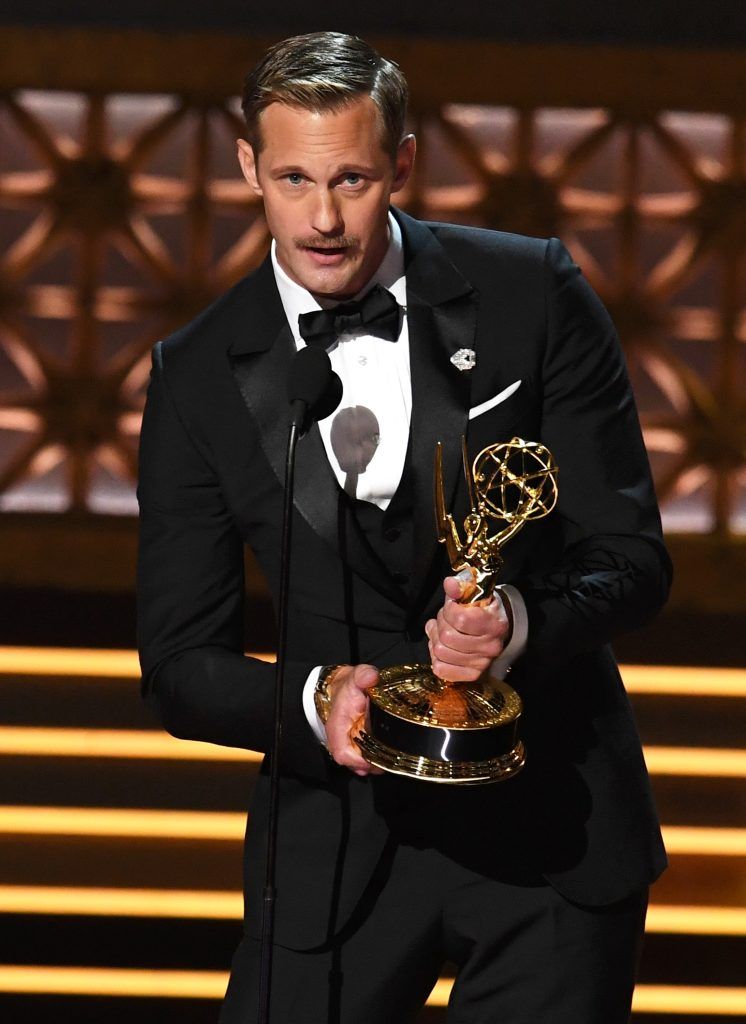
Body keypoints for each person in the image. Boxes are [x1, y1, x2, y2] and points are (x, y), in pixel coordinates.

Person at [137, 31, 671, 1024]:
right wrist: (315, 698)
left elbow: (630, 560)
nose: (324, 218)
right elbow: (178, 659)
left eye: (351, 177)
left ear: (403, 165)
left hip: (549, 833)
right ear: (247, 165)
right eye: (293, 178)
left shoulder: (533, 294)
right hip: (334, 849)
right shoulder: (195, 374)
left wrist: (512, 621)